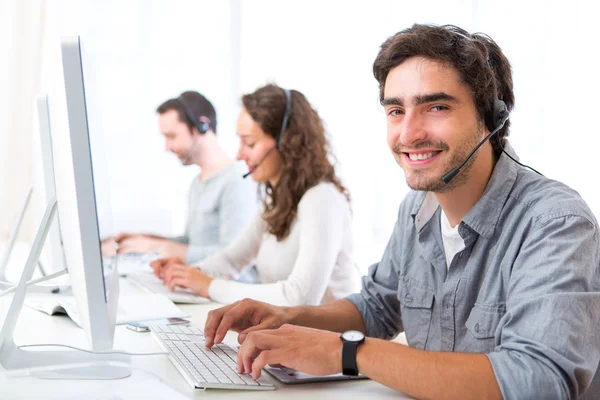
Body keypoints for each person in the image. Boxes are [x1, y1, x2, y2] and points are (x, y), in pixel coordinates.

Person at [199, 24, 600, 399]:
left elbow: (539, 380)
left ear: (492, 119)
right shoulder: (418, 208)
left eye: (436, 107)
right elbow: (376, 306)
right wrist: (286, 316)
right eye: (395, 111)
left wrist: (348, 352)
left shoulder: (555, 222)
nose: (408, 134)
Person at [151, 84, 361, 306]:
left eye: (249, 143)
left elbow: (300, 298)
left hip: (329, 338)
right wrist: (187, 274)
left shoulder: (321, 199)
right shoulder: (279, 200)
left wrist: (209, 286)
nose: (239, 154)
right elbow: (232, 259)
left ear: (286, 142)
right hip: (291, 332)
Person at [113, 91, 257, 263]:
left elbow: (236, 257)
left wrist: (163, 248)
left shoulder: (237, 179)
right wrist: (149, 241)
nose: (167, 146)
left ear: (202, 126)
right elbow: (192, 244)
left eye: (172, 136)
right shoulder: (198, 183)